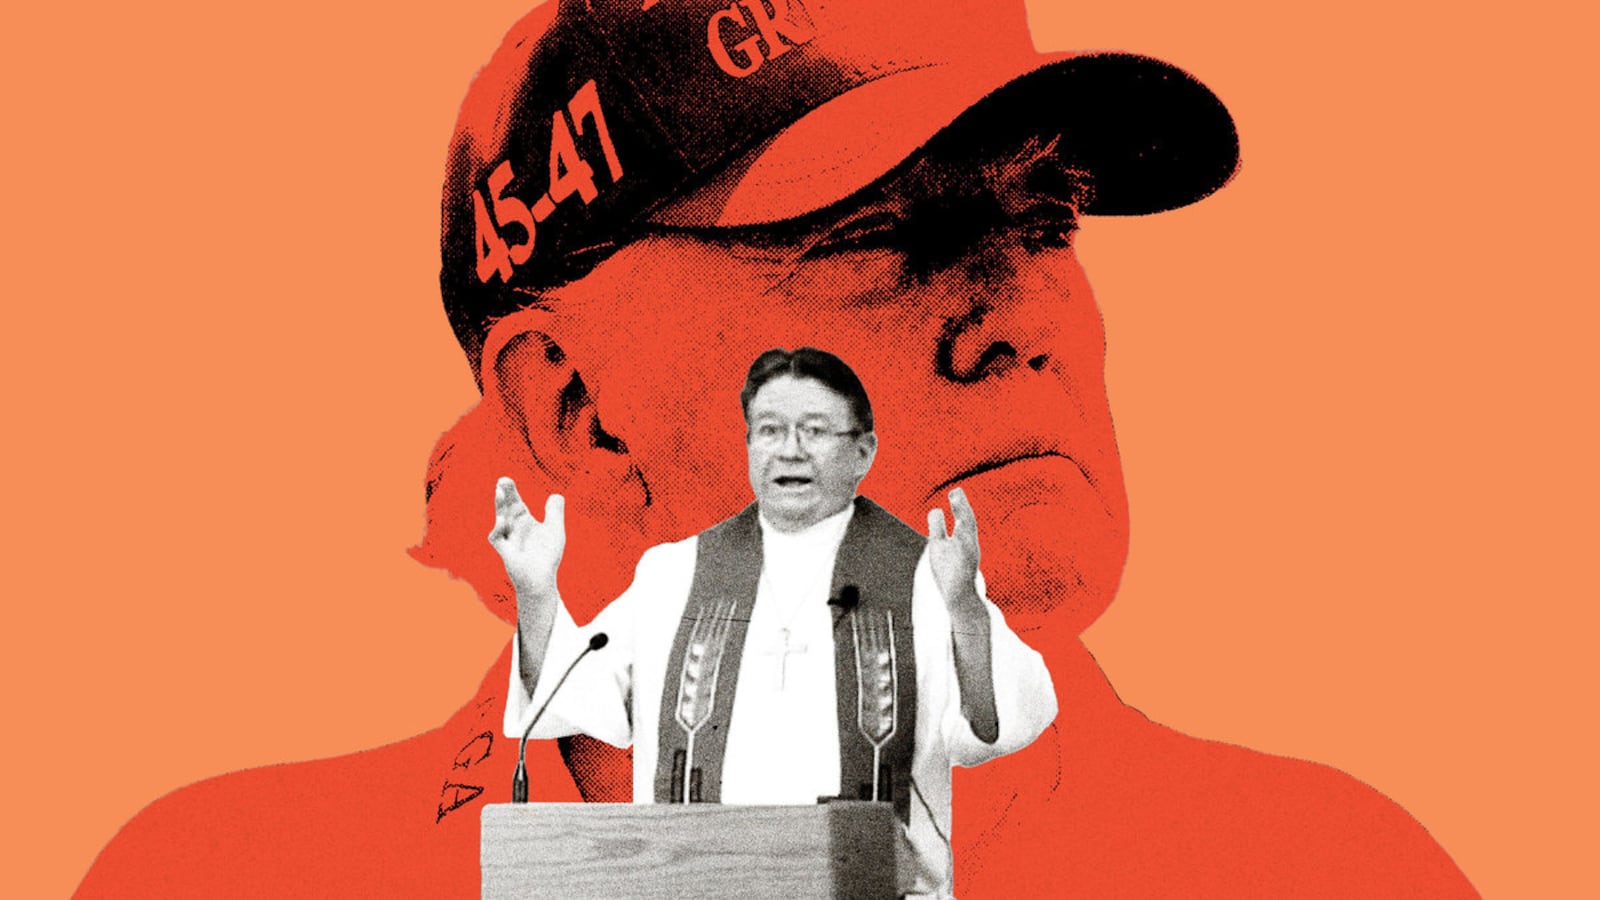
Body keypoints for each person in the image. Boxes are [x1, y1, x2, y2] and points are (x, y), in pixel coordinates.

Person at [76, 1, 1480, 896]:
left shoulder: (1323, 873)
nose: (1021, 322)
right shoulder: (237, 880)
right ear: (578, 408)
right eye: (875, 242)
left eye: (1043, 220)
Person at [492, 347, 1056, 897]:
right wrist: (537, 590)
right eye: (769, 430)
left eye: (814, 431)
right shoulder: (673, 574)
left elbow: (995, 724)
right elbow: (571, 695)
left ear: (863, 451)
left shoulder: (923, 576)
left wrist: (963, 607)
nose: (790, 451)